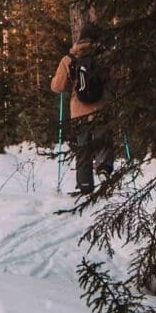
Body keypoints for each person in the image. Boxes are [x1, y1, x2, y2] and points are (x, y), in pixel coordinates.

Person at [50, 36, 108, 195]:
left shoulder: (68, 59)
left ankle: (84, 184)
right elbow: (114, 78)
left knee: (83, 148)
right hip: (100, 109)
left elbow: (58, 86)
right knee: (103, 142)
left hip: (79, 113)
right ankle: (104, 169)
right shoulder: (101, 56)